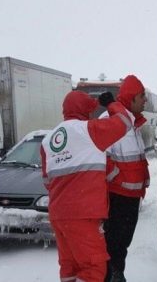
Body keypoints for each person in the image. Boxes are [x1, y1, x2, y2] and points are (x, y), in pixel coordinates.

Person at [40, 90, 132, 282]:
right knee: (94, 267)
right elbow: (125, 123)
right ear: (85, 111)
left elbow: (47, 181)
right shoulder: (88, 130)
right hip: (83, 214)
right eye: (90, 111)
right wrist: (111, 104)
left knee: (69, 266)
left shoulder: (47, 141)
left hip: (58, 215)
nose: (92, 114)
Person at [99, 75, 150, 282]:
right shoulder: (111, 119)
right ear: (131, 98)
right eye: (142, 96)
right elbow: (100, 154)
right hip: (118, 196)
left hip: (131, 196)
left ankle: (117, 274)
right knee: (113, 244)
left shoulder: (132, 121)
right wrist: (117, 179)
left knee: (121, 243)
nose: (145, 100)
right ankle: (111, 277)